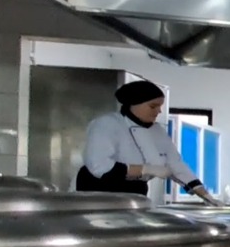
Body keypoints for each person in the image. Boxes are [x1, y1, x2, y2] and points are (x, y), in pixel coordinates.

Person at [76, 80, 221, 203]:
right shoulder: (107, 124)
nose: (158, 111)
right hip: (98, 193)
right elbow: (99, 166)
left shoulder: (157, 131)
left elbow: (176, 165)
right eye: (153, 106)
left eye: (160, 106)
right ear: (134, 104)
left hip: (136, 193)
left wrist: (205, 195)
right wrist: (145, 169)